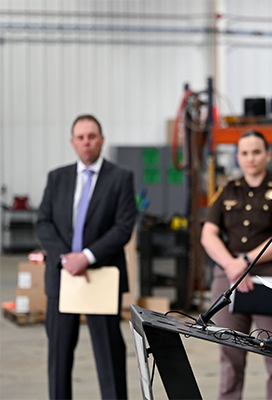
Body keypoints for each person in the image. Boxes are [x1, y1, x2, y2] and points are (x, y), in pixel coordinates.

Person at [36, 114, 137, 400]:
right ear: (72, 142)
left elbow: (123, 228)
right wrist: (65, 258)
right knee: (58, 356)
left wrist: (87, 256)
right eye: (80, 138)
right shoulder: (57, 178)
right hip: (62, 276)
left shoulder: (120, 178)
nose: (86, 143)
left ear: (102, 140)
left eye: (92, 136)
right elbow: (43, 222)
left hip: (101, 276)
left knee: (109, 354)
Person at [201, 130, 272, 400]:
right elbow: (207, 234)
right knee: (229, 354)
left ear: (268, 155)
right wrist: (232, 266)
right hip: (229, 277)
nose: (250, 158)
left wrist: (245, 262)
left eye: (256, 152)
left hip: (269, 276)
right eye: (244, 153)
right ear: (237, 157)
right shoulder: (227, 190)